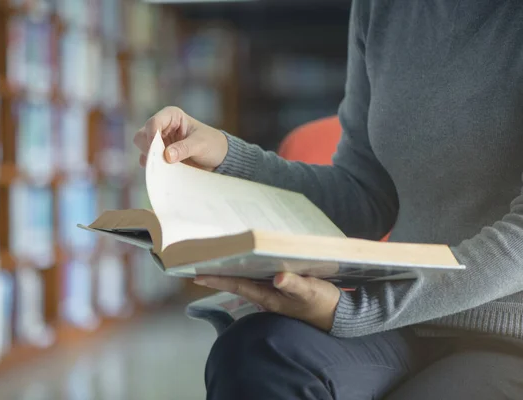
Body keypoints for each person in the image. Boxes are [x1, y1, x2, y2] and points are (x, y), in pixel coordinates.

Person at [134, 1, 523, 399]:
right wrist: (228, 157)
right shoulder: (381, 9)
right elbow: (363, 195)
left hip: (508, 337)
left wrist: (357, 311)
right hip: (405, 323)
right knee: (257, 353)